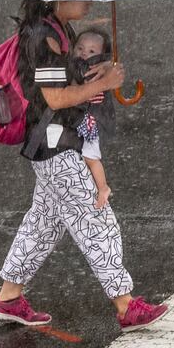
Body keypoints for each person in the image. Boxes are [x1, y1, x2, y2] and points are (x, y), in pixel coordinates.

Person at [0, 0, 169, 333]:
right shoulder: (44, 38)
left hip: (52, 141)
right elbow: (54, 98)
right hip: (56, 145)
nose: (85, 0)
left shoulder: (58, 29)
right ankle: (126, 305)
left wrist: (98, 69)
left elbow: (67, 78)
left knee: (44, 223)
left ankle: (9, 297)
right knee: (96, 217)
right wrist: (102, 85)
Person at [71, 28, 115, 211]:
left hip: (91, 121)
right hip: (81, 119)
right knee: (82, 156)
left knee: (91, 157)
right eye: (80, 48)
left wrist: (110, 64)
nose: (84, 54)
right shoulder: (75, 65)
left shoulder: (95, 70)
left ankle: (103, 188)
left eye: (91, 51)